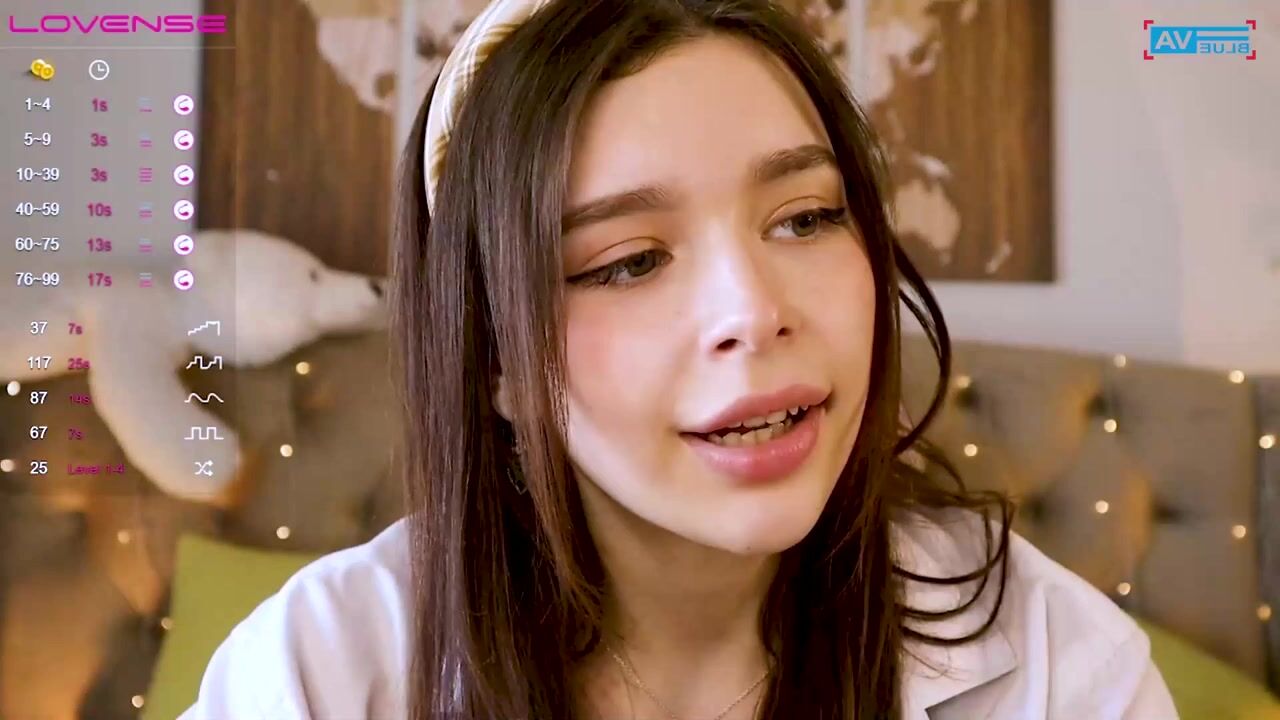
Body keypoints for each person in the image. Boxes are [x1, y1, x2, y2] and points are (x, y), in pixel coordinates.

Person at [181, 1, 1178, 718]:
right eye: (627, 262)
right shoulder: (319, 670)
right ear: (496, 362)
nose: (754, 312)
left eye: (806, 217)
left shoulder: (1055, 665)